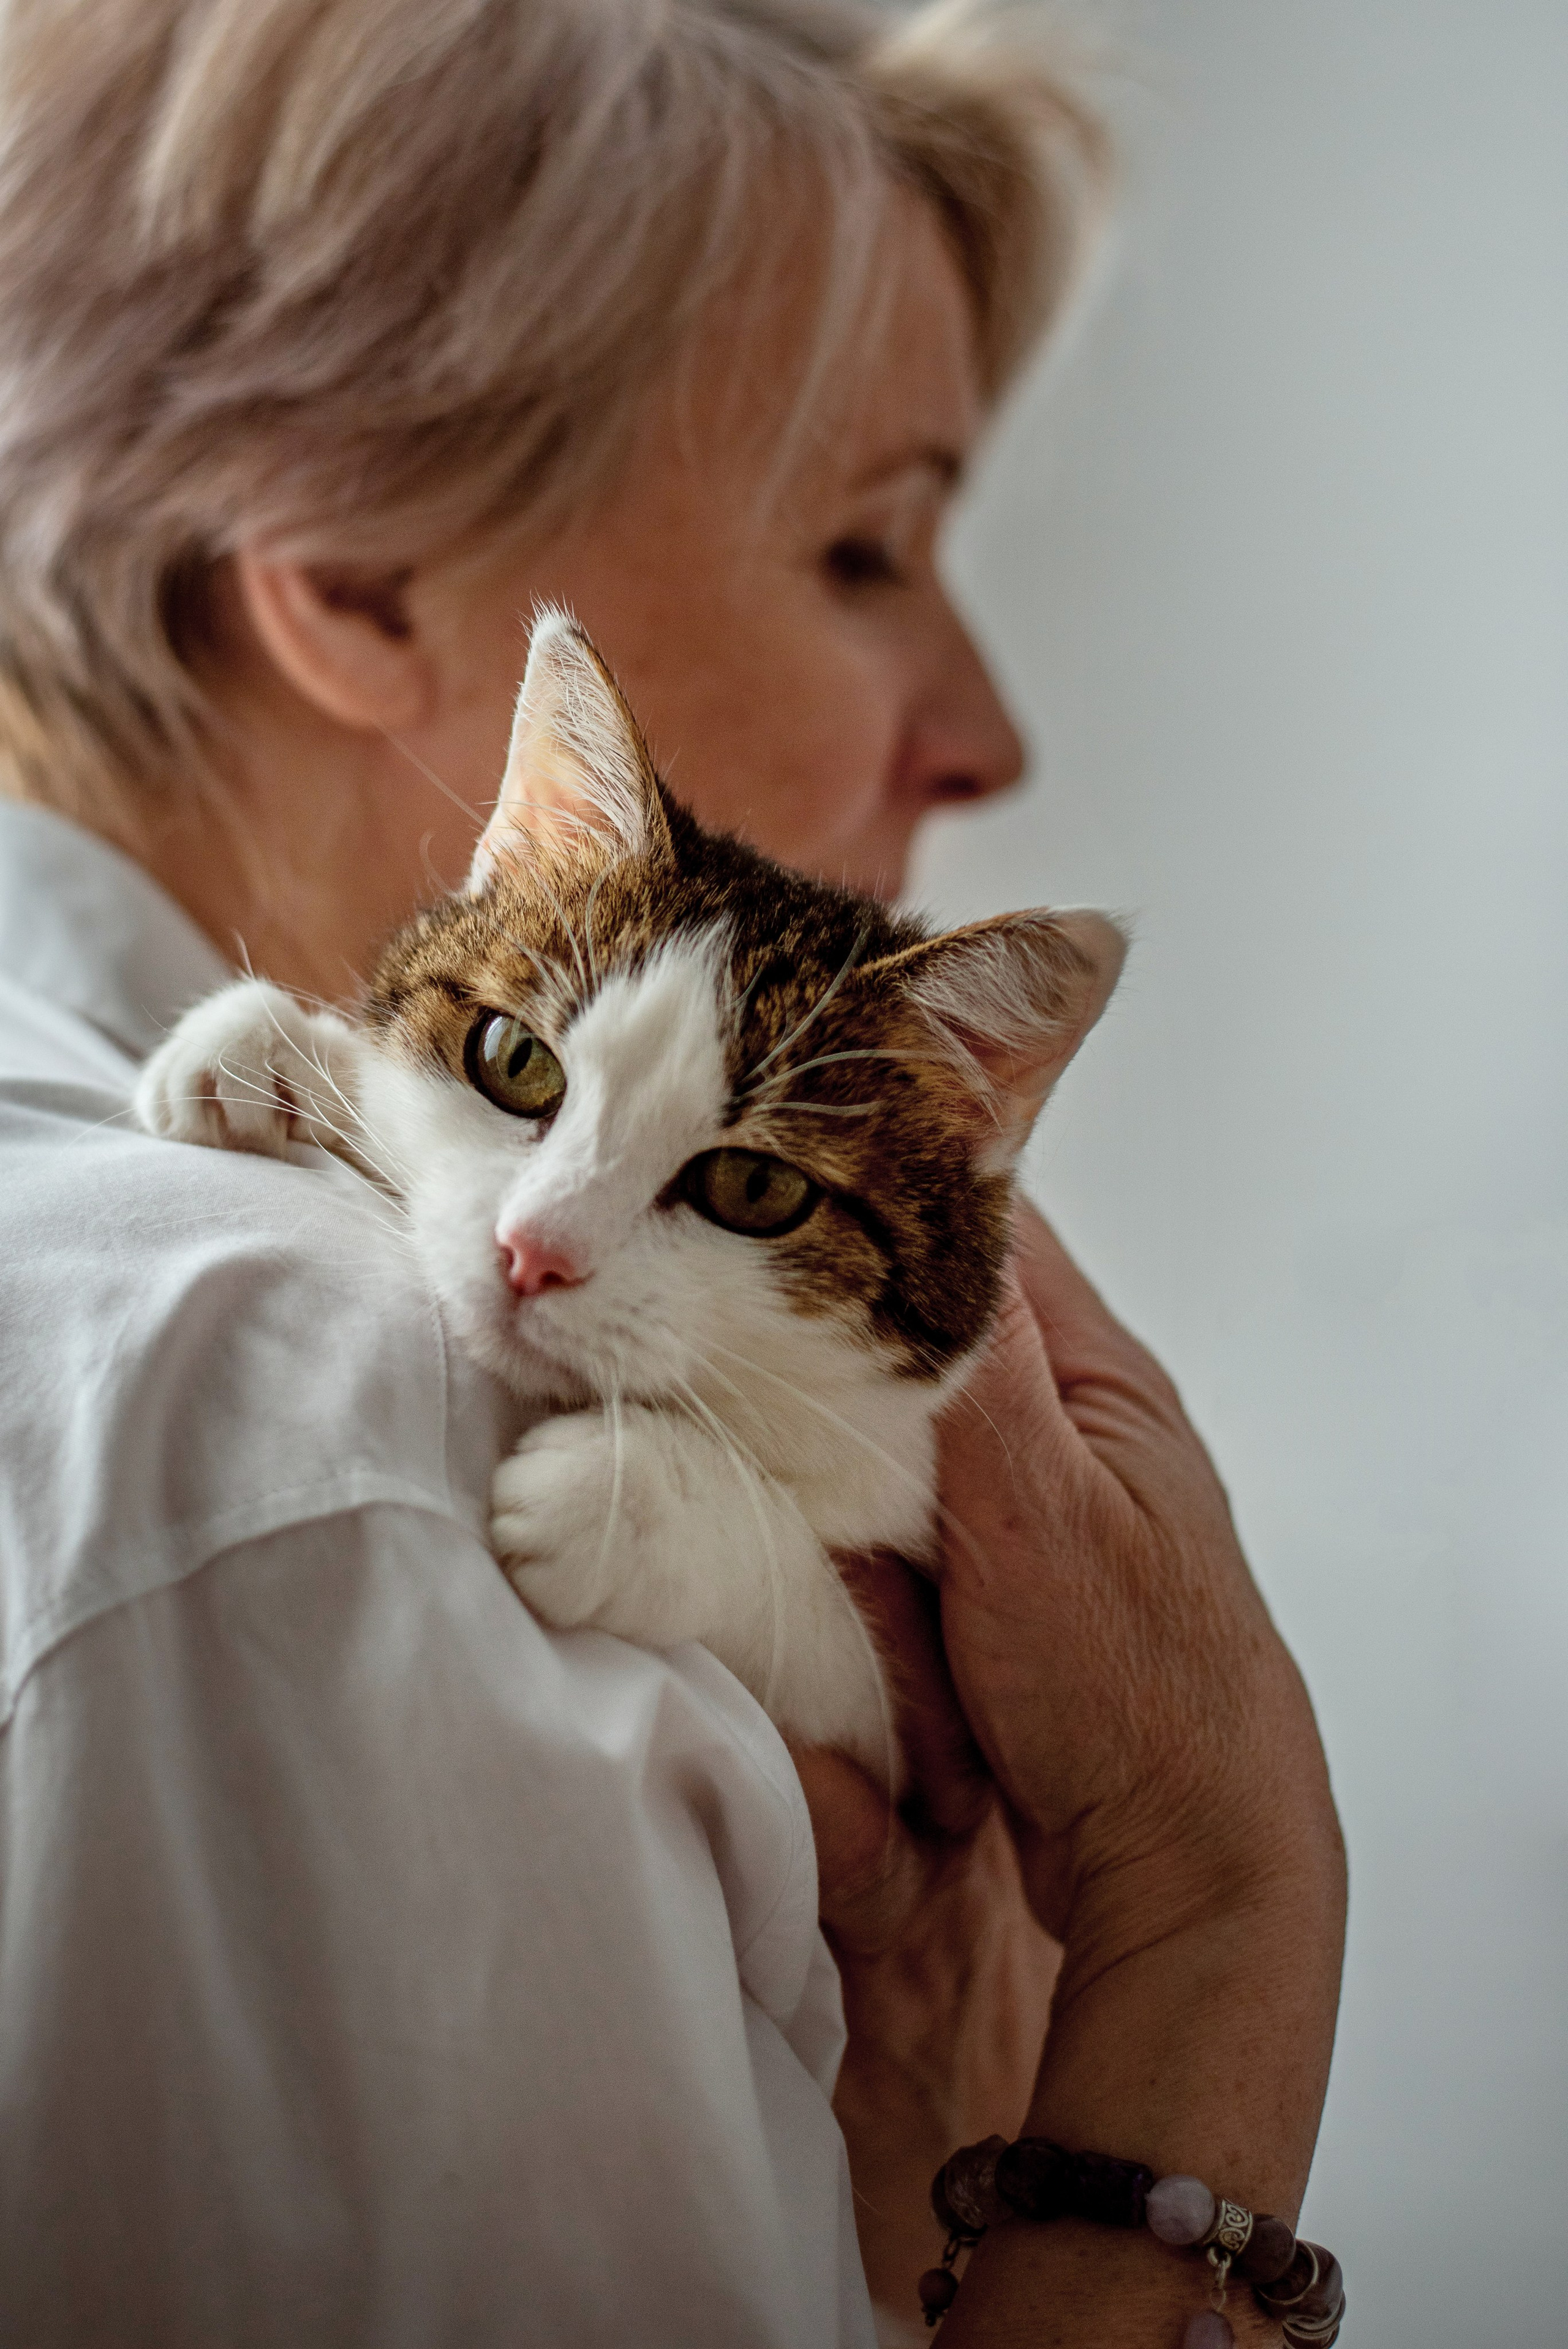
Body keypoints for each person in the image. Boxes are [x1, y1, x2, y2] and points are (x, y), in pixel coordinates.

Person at [0, 1, 1346, 2342]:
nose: (987, 724)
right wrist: (1218, 1916)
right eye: (864, 544)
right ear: (354, 559)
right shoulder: (321, 1437)